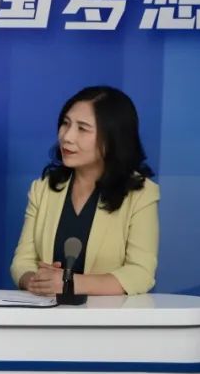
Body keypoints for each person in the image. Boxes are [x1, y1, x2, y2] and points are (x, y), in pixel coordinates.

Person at [11, 86, 158, 296]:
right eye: (65, 123)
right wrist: (35, 281)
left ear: (113, 138)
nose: (67, 137)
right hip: (47, 314)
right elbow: (22, 261)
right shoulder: (43, 188)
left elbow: (140, 273)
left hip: (108, 316)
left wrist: (69, 283)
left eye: (82, 128)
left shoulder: (141, 194)